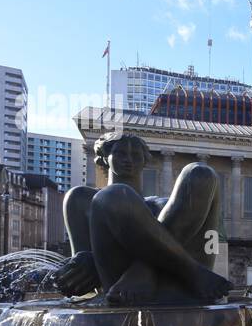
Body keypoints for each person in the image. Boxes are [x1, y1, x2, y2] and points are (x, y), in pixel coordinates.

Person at [53, 130, 232, 305]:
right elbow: (84, 274)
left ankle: (144, 271)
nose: (128, 160)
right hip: (119, 286)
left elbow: (212, 241)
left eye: (136, 155)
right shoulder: (81, 199)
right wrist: (79, 268)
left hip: (175, 285)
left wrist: (142, 270)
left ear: (145, 160)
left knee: (201, 172)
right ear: (105, 157)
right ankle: (190, 271)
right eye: (120, 153)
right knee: (113, 195)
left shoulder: (163, 206)